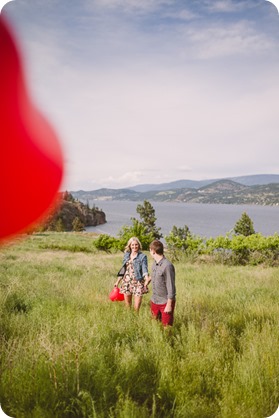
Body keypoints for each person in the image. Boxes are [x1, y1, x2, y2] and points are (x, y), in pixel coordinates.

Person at [114, 237, 149, 311]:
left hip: (138, 282)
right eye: (132, 245)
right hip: (126, 282)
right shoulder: (126, 255)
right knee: (127, 306)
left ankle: (136, 321)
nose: (134, 246)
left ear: (139, 245)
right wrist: (117, 281)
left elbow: (144, 268)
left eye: (136, 245)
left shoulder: (142, 257)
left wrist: (146, 278)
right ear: (130, 246)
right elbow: (123, 269)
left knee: (136, 308)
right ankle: (129, 320)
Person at [147, 239, 176, 326]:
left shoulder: (167, 266)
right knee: (155, 325)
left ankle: (166, 340)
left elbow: (171, 287)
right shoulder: (154, 264)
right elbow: (154, 275)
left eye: (150, 250)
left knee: (167, 327)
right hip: (155, 300)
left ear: (153, 251)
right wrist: (147, 281)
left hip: (165, 302)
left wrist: (169, 304)